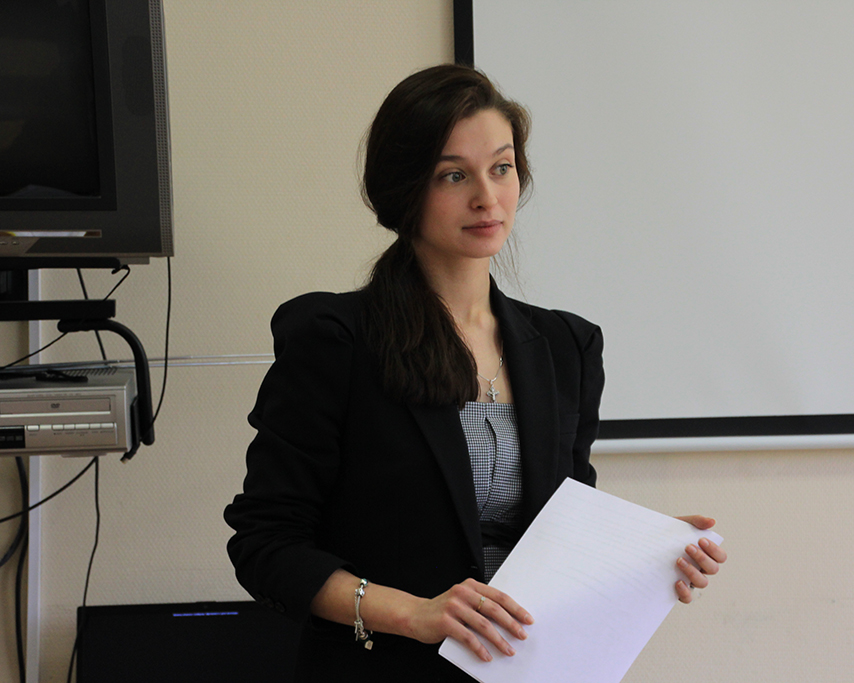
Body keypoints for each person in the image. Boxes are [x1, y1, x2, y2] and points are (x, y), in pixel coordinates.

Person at [224, 64, 726, 682]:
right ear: (405, 189)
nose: (487, 197)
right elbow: (267, 545)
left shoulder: (565, 347)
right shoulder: (336, 339)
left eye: (502, 168)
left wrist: (645, 552)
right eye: (454, 175)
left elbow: (560, 536)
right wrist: (414, 614)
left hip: (527, 669)